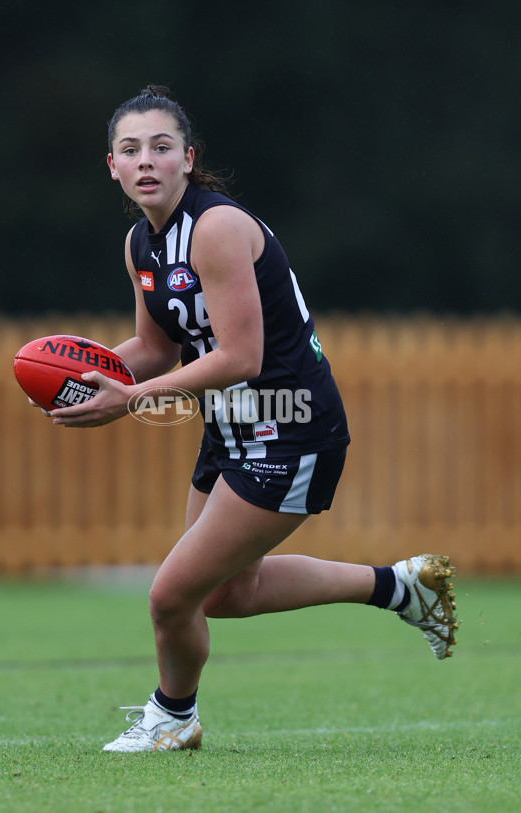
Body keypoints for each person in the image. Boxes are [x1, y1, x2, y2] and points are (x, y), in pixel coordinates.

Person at [44, 85, 458, 753]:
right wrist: (80, 378)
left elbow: (242, 356)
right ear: (113, 167)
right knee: (225, 595)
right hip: (232, 427)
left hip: (291, 428)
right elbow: (155, 348)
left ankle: (173, 716)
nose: (146, 160)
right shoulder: (140, 244)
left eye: (161, 146)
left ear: (188, 158)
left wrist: (130, 402)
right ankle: (401, 587)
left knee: (170, 596)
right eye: (130, 149)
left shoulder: (217, 228)